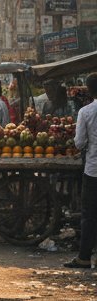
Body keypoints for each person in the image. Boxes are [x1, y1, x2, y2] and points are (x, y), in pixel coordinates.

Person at [65, 73, 97, 269]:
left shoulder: (86, 112)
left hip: (93, 170)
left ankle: (84, 258)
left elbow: (79, 143)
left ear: (89, 90)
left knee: (89, 214)